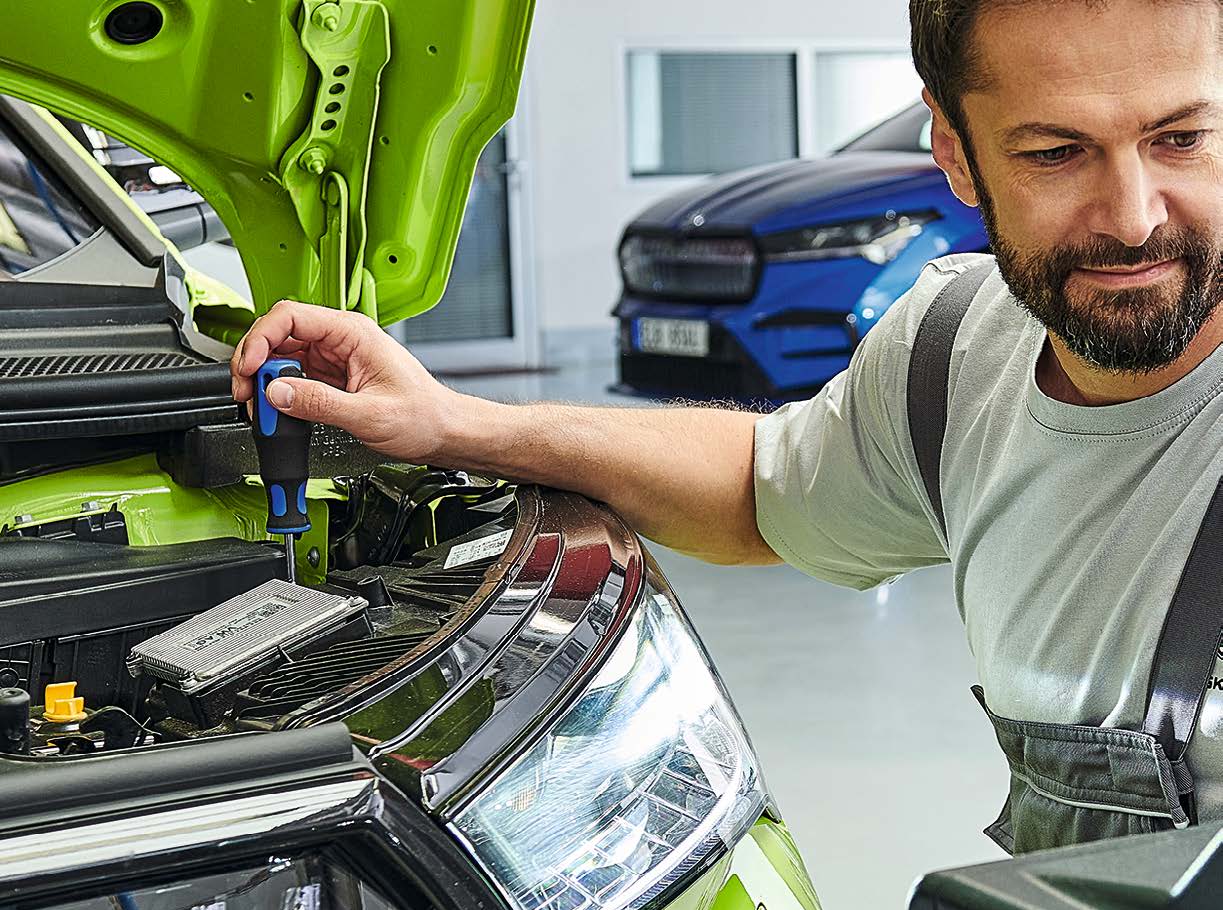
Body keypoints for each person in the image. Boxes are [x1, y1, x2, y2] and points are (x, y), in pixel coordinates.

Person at [233, 0, 1223, 854]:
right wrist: (452, 421)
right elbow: (761, 488)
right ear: (954, 155)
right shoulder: (953, 350)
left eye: (1179, 137)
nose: (1133, 216)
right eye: (1054, 152)